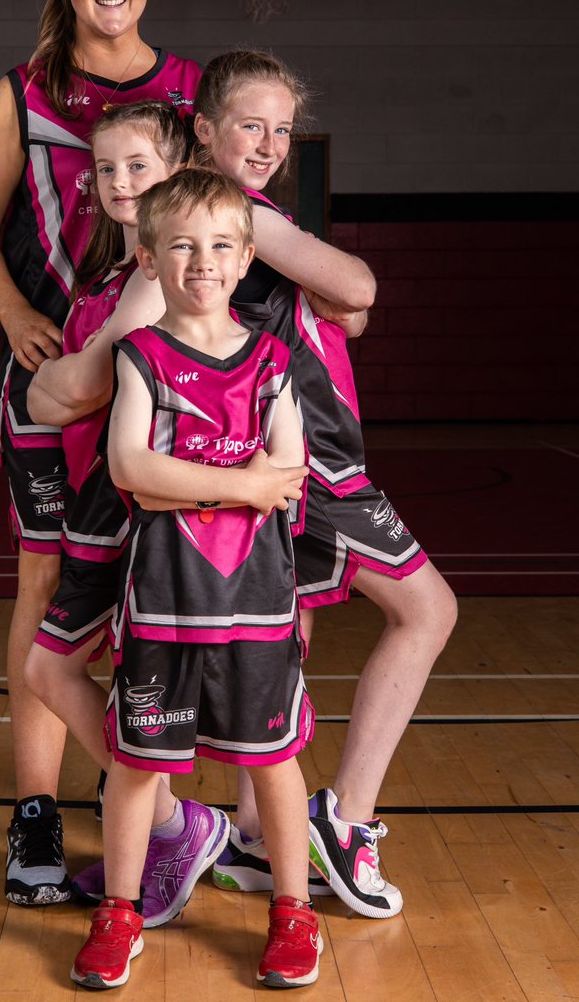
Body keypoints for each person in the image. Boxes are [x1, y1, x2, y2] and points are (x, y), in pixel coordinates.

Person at [0, 0, 201, 907]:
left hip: (165, 389)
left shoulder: (189, 91)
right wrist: (16, 315)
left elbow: (234, 226)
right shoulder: (18, 96)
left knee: (166, 599)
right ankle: (36, 812)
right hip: (54, 383)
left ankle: (165, 812)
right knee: (43, 592)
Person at [190, 49, 458, 920]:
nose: (268, 143)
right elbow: (358, 286)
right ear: (205, 130)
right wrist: (336, 283)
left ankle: (258, 837)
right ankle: (345, 821)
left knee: (282, 641)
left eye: (280, 130)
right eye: (249, 125)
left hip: (276, 457)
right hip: (316, 465)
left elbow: (348, 310)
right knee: (428, 610)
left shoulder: (219, 215)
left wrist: (337, 295)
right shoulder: (235, 212)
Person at [71, 168, 322, 991]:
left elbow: (292, 469)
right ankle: (120, 910)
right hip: (162, 603)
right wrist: (241, 483)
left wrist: (221, 479)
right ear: (148, 258)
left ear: (247, 258)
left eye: (220, 246)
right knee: (139, 763)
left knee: (271, 762)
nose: (202, 261)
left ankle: (292, 911)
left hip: (255, 602)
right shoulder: (140, 354)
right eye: (180, 245)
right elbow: (131, 468)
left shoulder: (273, 359)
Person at [24, 102, 238, 927]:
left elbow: (79, 387)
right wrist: (64, 383)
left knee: (65, 670)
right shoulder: (117, 270)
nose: (117, 182)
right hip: (92, 494)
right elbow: (66, 389)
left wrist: (61, 383)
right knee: (65, 672)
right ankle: (163, 829)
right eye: (104, 169)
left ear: (175, 169)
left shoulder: (156, 276)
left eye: (136, 167)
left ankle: (176, 827)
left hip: (128, 504)